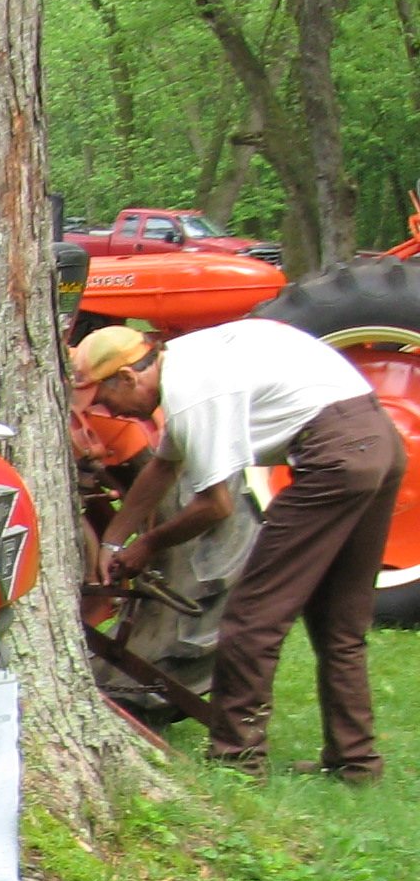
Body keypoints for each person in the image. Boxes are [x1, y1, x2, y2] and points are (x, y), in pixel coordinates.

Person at [75, 319, 401, 784]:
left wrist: (146, 544)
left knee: (252, 618)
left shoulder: (193, 393)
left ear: (128, 377)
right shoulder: (186, 362)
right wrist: (112, 540)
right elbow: (166, 468)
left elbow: (216, 507)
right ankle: (356, 763)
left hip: (336, 455)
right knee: (340, 621)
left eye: (108, 400)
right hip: (378, 439)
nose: (115, 412)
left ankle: (237, 762)